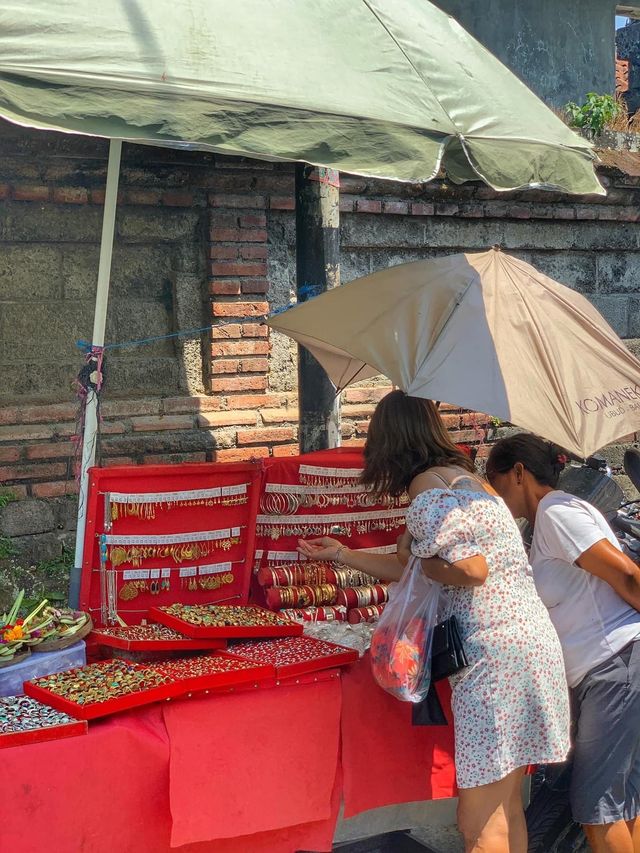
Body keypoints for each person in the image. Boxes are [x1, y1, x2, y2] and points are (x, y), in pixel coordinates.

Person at [299, 391, 570, 853]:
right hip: (531, 641)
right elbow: (426, 569)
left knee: (475, 820)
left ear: (389, 441)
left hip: (492, 659)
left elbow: (470, 568)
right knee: (506, 806)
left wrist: (423, 555)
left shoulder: (427, 488)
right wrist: (344, 554)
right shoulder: (470, 483)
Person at [486, 433, 640, 853]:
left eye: (495, 482)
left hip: (615, 662)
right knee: (621, 803)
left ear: (519, 473)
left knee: (595, 807)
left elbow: (626, 575)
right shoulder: (548, 522)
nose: (497, 497)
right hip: (610, 669)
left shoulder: (556, 512)